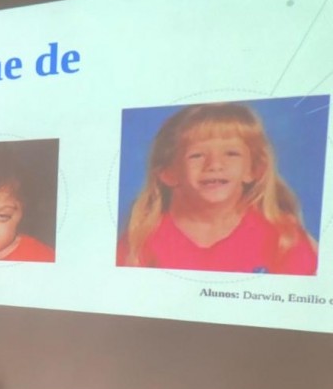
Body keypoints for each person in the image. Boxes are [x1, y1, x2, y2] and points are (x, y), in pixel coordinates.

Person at [117, 102, 318, 274]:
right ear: (168, 173)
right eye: (196, 155)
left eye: (231, 153)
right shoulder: (141, 240)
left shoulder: (283, 238)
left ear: (254, 170)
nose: (214, 165)